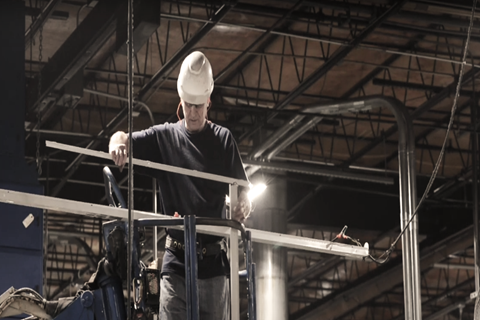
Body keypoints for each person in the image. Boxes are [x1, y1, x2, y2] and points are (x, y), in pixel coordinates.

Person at [108, 51, 251, 320]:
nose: (193, 113)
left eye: (199, 106)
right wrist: (117, 145)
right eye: (188, 105)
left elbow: (245, 191)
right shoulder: (165, 137)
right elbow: (121, 137)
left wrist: (243, 204)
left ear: (208, 101)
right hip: (176, 260)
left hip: (213, 265)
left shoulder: (223, 140)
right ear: (181, 100)